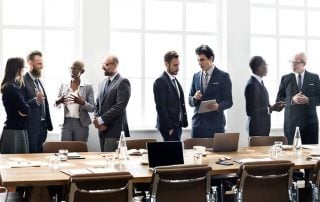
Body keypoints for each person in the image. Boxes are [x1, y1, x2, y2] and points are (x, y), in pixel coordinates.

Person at [189, 45, 233, 138]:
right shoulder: (195, 76)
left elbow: (229, 101)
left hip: (215, 125)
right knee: (195, 152)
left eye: (202, 60)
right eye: (198, 60)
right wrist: (194, 98)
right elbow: (190, 101)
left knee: (216, 153)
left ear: (211, 58)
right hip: (197, 125)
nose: (199, 63)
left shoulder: (223, 76)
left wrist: (218, 106)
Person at [276, 52, 320, 144]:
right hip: (291, 125)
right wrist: (292, 100)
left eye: (296, 62)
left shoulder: (314, 77)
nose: (293, 65)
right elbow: (279, 100)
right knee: (291, 154)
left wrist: (308, 100)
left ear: (304, 63)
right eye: (292, 62)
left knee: (310, 155)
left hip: (310, 125)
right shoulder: (285, 78)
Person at [93, 55, 131, 152]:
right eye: (102, 64)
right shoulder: (102, 83)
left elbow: (120, 107)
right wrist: (97, 121)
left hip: (114, 130)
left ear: (115, 65)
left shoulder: (123, 82)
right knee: (104, 160)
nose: (102, 67)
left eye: (106, 64)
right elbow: (97, 103)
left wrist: (101, 120)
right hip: (102, 130)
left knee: (112, 163)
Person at [55, 60, 95, 142]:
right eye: (71, 68)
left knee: (79, 150)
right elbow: (55, 104)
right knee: (64, 150)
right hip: (65, 123)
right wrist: (60, 100)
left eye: (75, 68)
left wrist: (82, 102)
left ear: (82, 71)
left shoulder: (88, 87)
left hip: (81, 123)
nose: (72, 71)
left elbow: (92, 108)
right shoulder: (63, 85)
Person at [245, 56, 284, 136]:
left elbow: (262, 105)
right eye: (266, 65)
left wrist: (275, 108)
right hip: (256, 130)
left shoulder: (259, 83)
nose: (267, 68)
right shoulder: (251, 85)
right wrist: (270, 109)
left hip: (263, 129)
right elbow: (250, 111)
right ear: (260, 67)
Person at [153, 51, 188, 141]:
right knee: (172, 154)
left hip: (177, 125)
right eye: (175, 65)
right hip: (169, 127)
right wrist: (169, 127)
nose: (178, 68)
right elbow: (160, 106)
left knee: (175, 153)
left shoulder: (174, 79)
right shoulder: (161, 80)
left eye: (178, 65)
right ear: (166, 64)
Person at [23, 50, 53, 153]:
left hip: (42, 126)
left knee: (40, 155)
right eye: (39, 63)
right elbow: (21, 105)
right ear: (30, 63)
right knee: (32, 156)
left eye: (42, 63)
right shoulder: (22, 81)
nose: (42, 66)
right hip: (30, 127)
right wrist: (36, 101)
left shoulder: (38, 81)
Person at [0, 57, 30, 153]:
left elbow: (23, 109)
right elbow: (26, 109)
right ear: (18, 69)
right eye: (23, 68)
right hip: (15, 131)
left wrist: (23, 110)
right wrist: (24, 110)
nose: (23, 71)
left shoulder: (11, 86)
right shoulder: (12, 87)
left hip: (15, 129)